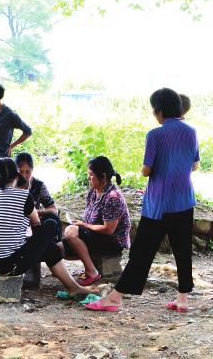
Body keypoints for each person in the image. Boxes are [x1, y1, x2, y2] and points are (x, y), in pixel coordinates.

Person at [85, 88, 199, 313]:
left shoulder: (155, 135)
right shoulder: (191, 131)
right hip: (184, 200)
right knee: (182, 249)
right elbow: (194, 165)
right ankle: (183, 298)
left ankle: (115, 297)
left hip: (158, 204)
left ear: (159, 110)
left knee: (142, 253)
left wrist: (144, 168)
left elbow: (147, 170)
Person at [0, 157, 97, 299]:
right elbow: (36, 225)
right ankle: (74, 288)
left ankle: (74, 288)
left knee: (48, 248)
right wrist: (37, 245)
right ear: (16, 176)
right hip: (11, 264)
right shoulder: (23, 195)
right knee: (51, 224)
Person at [61, 156, 131, 286]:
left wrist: (84, 225)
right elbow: (90, 220)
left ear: (103, 176)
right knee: (59, 247)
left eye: (91, 175)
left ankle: (92, 272)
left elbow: (108, 230)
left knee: (71, 232)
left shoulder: (113, 197)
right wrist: (82, 224)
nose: (89, 178)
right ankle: (86, 270)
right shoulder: (93, 192)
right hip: (96, 235)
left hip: (113, 241)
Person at [16, 152, 59, 289]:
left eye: (27, 172)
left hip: (35, 224)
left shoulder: (39, 186)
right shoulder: (11, 184)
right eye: (20, 171)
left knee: (52, 220)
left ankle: (50, 250)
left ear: (32, 170)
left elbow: (53, 209)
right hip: (17, 227)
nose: (24, 175)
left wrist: (34, 212)